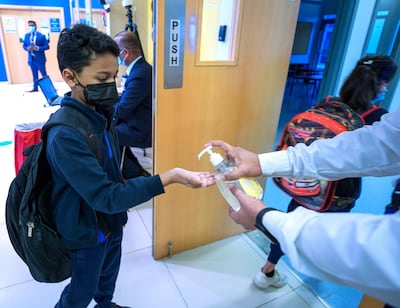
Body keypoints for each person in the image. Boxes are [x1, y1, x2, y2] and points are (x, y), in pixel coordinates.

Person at [49, 24, 214, 308]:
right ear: (70, 77)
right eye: (102, 78)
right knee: (81, 291)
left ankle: (105, 304)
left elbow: (114, 174)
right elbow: (108, 196)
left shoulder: (100, 114)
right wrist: (170, 177)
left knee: (107, 278)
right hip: (87, 230)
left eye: (114, 76)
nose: (111, 85)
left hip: (111, 221)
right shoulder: (65, 134)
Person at [206, 107, 400, 307]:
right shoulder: (373, 120)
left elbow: (384, 255)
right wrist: (261, 162)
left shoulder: (328, 106)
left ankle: (268, 267)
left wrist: (263, 217)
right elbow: (374, 145)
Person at [252, 54, 398, 291]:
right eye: (386, 82)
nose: (386, 87)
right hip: (339, 192)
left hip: (305, 183)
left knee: (288, 221)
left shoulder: (329, 102)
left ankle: (267, 268)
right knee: (329, 232)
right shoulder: (376, 118)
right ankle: (318, 272)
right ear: (379, 85)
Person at [112, 30, 153, 178]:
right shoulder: (140, 69)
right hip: (136, 121)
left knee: (104, 133)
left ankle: (128, 173)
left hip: (140, 130)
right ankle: (129, 170)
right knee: (110, 127)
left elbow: (123, 108)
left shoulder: (140, 74)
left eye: (115, 53)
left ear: (125, 53)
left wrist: (101, 112)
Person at [22, 20, 49, 92]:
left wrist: (38, 48)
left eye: (32, 25)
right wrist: (27, 48)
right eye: (29, 26)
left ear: (35, 26)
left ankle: (48, 89)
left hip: (40, 58)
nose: (31, 27)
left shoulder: (41, 36)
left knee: (44, 74)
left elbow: (47, 46)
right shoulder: (26, 36)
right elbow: (24, 45)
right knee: (34, 74)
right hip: (31, 58)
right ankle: (35, 87)